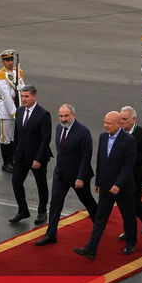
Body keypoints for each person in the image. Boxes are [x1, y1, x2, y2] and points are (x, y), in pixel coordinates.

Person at [74, 111, 137, 259]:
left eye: (109, 123)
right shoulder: (103, 137)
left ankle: (131, 243)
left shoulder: (129, 140)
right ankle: (91, 248)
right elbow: (100, 161)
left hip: (123, 188)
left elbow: (128, 166)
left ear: (119, 124)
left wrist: (118, 185)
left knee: (128, 216)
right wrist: (98, 182)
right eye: (104, 122)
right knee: (100, 218)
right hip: (106, 186)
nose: (105, 126)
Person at [35, 104, 97, 245]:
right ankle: (51, 235)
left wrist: (81, 177)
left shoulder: (83, 132)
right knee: (55, 204)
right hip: (61, 175)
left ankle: (99, 222)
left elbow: (86, 157)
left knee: (87, 200)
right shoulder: (58, 128)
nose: (63, 119)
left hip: (78, 176)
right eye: (61, 116)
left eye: (66, 116)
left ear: (73, 116)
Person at [9, 86, 52, 225]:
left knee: (41, 184)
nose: (24, 99)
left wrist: (38, 159)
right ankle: (23, 210)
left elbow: (46, 138)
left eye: (27, 96)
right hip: (22, 156)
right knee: (16, 182)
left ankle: (42, 211)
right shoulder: (20, 111)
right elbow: (17, 134)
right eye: (22, 96)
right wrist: (15, 154)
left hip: (37, 157)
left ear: (34, 97)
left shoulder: (43, 114)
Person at [118, 106, 142, 238]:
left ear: (133, 119)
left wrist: (130, 158)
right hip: (121, 176)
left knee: (132, 203)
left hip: (137, 176)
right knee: (125, 204)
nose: (121, 121)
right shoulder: (118, 132)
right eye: (120, 118)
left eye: (124, 119)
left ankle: (131, 230)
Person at [0, 49, 24, 173]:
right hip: (6, 109)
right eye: (7, 60)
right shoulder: (0, 74)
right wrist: (14, 113)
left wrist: (21, 108)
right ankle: (6, 162)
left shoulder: (19, 71)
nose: (10, 62)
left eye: (11, 59)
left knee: (13, 136)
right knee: (5, 138)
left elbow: (22, 90)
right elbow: (6, 96)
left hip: (17, 105)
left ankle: (13, 159)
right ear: (3, 61)